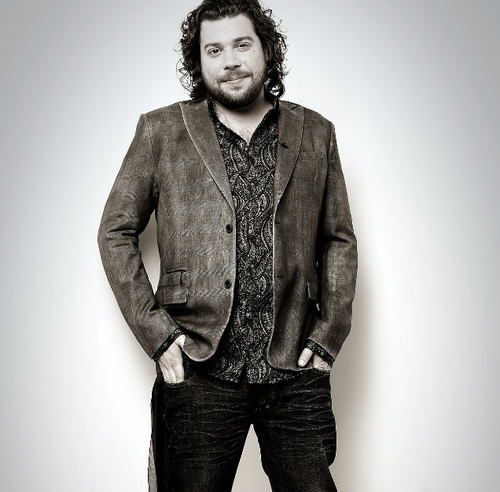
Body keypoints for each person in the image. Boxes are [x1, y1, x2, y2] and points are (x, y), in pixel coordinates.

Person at [98, 0, 357, 490]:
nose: (230, 61)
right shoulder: (161, 131)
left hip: (294, 365)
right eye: (213, 50)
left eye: (242, 44)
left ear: (266, 50)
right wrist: (159, 337)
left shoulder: (316, 133)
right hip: (199, 366)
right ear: (198, 61)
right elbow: (115, 231)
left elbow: (338, 239)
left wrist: (327, 339)